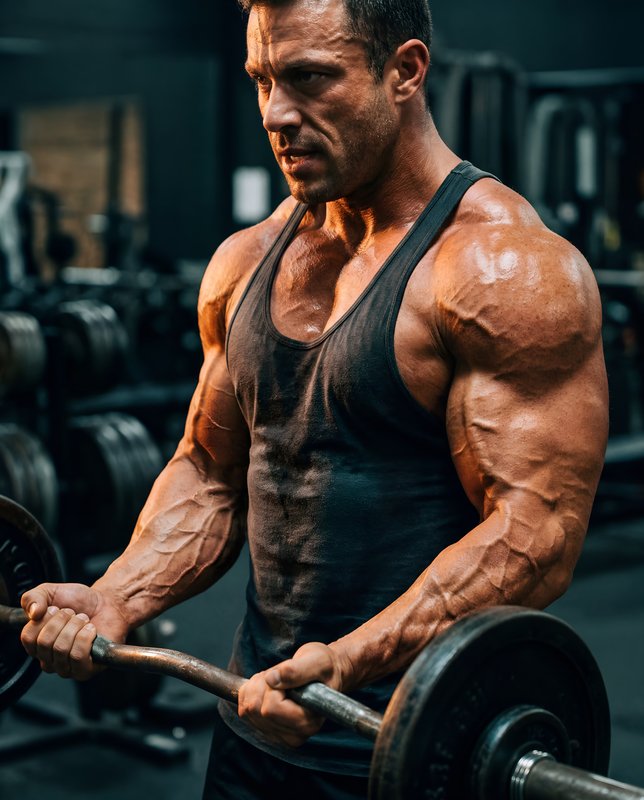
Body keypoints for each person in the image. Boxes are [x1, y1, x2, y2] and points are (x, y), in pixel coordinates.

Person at [20, 0, 609, 797]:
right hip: (251, 727)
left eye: (308, 79)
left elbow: (537, 532)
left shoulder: (501, 269)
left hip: (416, 752)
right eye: (262, 79)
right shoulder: (248, 260)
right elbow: (209, 470)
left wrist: (346, 662)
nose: (275, 113)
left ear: (404, 70)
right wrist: (114, 596)